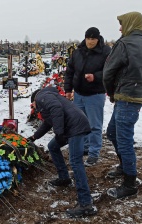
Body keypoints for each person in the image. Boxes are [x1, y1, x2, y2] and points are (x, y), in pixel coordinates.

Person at [103, 11, 142, 199]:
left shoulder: (124, 44)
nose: (120, 28)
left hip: (125, 98)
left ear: (130, 24)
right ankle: (123, 166)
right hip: (131, 100)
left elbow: (108, 73)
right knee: (112, 133)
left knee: (125, 140)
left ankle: (129, 184)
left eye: (122, 24)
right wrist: (141, 97)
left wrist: (111, 93)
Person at [27, 87, 96, 217]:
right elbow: (48, 123)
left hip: (75, 127)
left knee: (75, 161)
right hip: (72, 125)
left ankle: (86, 204)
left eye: (33, 105)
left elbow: (56, 109)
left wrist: (59, 132)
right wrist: (34, 137)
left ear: (34, 99)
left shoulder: (41, 96)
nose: (34, 108)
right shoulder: (47, 98)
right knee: (53, 146)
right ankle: (64, 178)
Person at [64, 27, 111, 167]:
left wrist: (95, 77)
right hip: (79, 94)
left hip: (95, 94)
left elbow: (110, 71)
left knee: (95, 125)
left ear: (98, 39)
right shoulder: (78, 52)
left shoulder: (106, 52)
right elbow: (70, 71)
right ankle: (84, 147)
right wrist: (68, 89)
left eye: (93, 39)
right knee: (80, 123)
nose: (90, 42)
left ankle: (94, 153)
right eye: (88, 38)